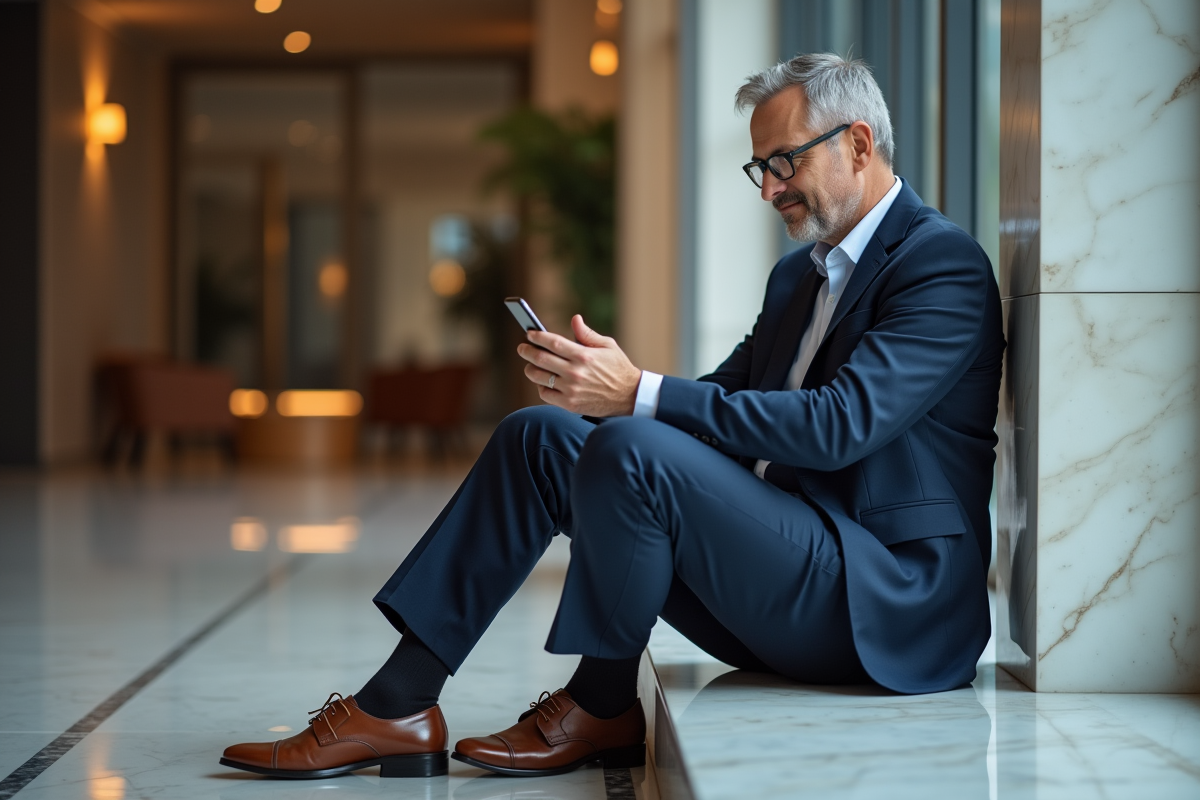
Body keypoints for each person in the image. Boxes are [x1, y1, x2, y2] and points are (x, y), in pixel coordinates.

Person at [220, 52, 1004, 780]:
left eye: (784, 162)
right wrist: (593, 391)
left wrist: (636, 394)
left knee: (632, 444)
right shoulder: (797, 280)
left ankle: (601, 704)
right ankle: (398, 703)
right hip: (778, 576)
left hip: (883, 605)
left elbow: (838, 426)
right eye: (759, 169)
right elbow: (717, 405)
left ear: (859, 143)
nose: (769, 189)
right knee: (541, 437)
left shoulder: (941, 263)